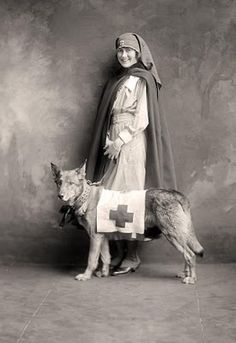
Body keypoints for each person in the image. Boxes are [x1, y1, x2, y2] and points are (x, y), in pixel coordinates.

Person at [86, 32, 177, 275]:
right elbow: (110, 116)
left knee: (130, 196)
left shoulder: (142, 79)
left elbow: (142, 118)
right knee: (111, 196)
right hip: (113, 140)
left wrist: (120, 141)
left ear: (138, 54)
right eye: (120, 51)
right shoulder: (117, 80)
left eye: (129, 51)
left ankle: (132, 256)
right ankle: (118, 254)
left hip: (131, 142)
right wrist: (108, 139)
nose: (124, 55)